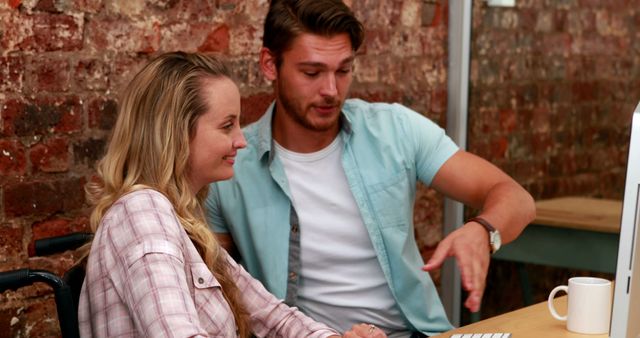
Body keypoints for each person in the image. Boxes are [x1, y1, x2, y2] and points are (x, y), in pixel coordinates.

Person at [205, 0, 536, 337]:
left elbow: (516, 198)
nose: (331, 91)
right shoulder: (230, 168)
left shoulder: (395, 130)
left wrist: (483, 231)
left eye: (343, 70)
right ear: (269, 64)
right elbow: (219, 298)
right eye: (312, 72)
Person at [78, 51, 386, 338]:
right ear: (176, 133)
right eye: (227, 126)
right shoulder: (142, 212)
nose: (241, 140)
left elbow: (271, 315)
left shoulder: (182, 221)